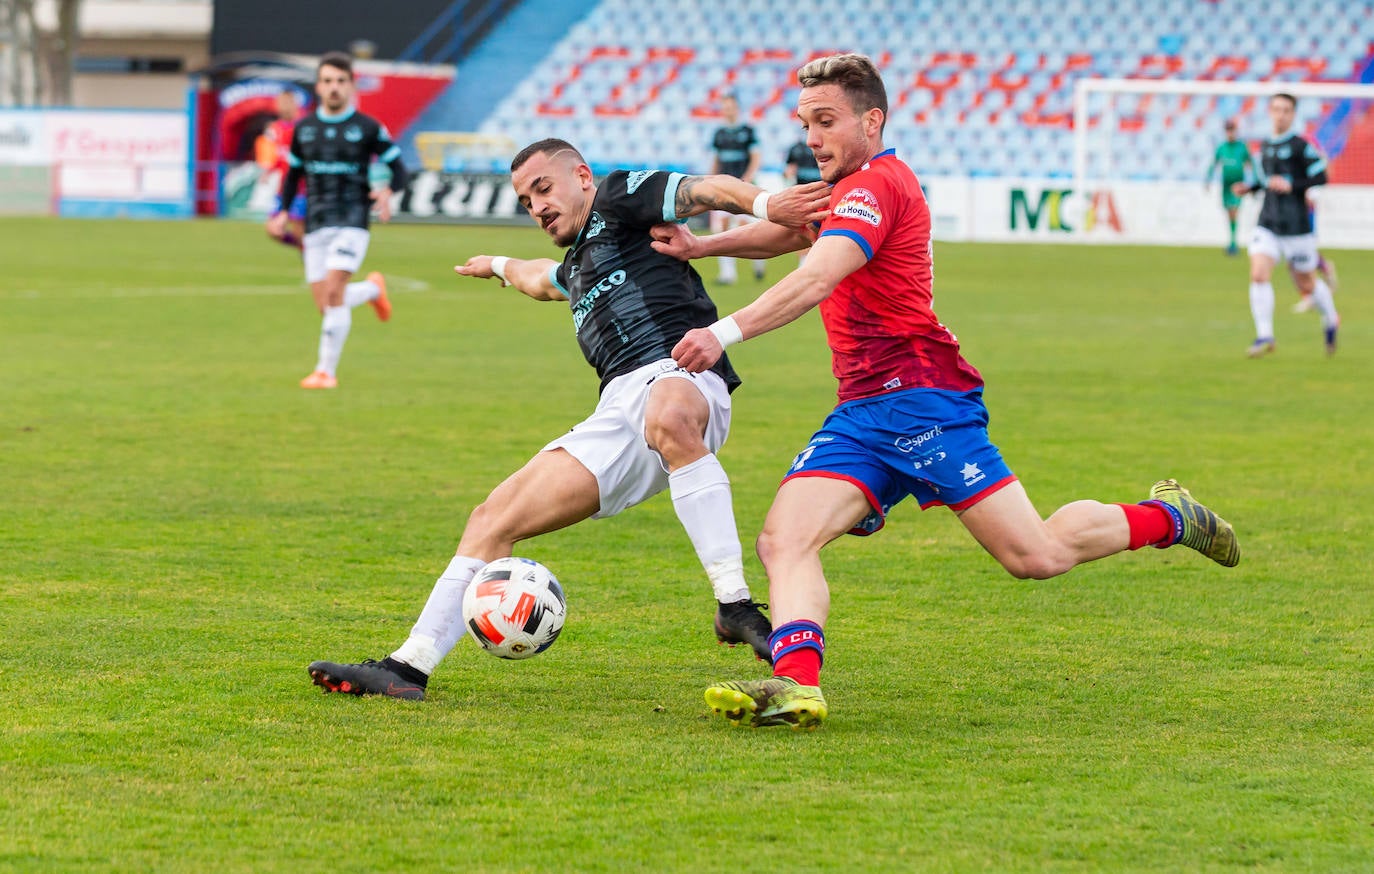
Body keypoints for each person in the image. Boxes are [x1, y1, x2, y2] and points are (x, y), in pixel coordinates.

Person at [657, 53, 1241, 730]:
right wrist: (700, 249)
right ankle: (795, 686)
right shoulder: (844, 186)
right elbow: (793, 230)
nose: (811, 137)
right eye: (804, 122)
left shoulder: (878, 187)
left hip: (925, 397)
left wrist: (721, 331)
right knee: (784, 539)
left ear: (871, 120)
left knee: (1037, 555)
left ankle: (1171, 517)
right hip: (863, 411)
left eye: (825, 121)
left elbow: (817, 274)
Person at [306, 138, 831, 700]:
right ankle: (407, 667)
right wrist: (498, 266)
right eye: (525, 201)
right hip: (617, 413)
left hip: (684, 373)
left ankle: (733, 603)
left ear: (581, 176)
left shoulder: (618, 198)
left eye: (542, 188)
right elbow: (539, 278)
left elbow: (706, 190)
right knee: (491, 518)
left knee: (668, 411)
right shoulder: (575, 265)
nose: (536, 206)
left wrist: (767, 203)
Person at [267, 52, 409, 390]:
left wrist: (389, 191)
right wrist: (282, 212)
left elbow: (399, 168)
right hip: (316, 222)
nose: (334, 88)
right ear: (318, 86)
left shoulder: (367, 128)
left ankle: (325, 372)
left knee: (333, 292)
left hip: (352, 219)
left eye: (341, 81)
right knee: (327, 303)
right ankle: (374, 289)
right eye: (328, 81)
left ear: (350, 86)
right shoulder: (304, 129)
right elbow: (293, 175)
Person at [1230, 92, 1338, 358]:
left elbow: (1322, 176)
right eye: (1276, 109)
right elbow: (1265, 181)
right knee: (1258, 274)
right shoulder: (1264, 146)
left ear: (1293, 114)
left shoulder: (1302, 146)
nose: (1280, 114)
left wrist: (1293, 185)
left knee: (1307, 284)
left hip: (1297, 228)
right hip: (1268, 223)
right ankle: (1265, 335)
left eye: (1286, 110)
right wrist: (1250, 188)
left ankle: (1331, 318)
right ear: (1270, 111)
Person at [709, 93, 767, 284]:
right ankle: (728, 274)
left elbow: (756, 158)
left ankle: (759, 262)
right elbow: (716, 160)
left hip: (744, 187)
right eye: (724, 106)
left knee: (747, 229)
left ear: (737, 108)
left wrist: (746, 180)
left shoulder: (748, 131)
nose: (728, 110)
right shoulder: (719, 133)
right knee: (723, 229)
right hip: (724, 187)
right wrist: (709, 180)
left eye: (730, 106)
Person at [256, 89, 307, 251]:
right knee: (273, 229)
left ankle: (311, 260)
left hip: (302, 188)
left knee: (299, 229)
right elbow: (279, 157)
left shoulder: (303, 127)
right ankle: (307, 248)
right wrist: (267, 171)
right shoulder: (276, 128)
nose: (283, 107)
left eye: (287, 103)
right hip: (283, 188)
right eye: (281, 103)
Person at [1203, 118, 1253, 256]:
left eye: (1232, 130)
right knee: (1229, 214)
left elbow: (1250, 163)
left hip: (1238, 185)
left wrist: (1254, 182)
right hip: (1226, 185)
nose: (1230, 133)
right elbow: (1214, 164)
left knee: (1234, 211)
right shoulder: (1222, 147)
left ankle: (1233, 243)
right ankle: (1231, 241)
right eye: (1228, 130)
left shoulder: (1241, 147)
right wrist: (1208, 179)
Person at [784, 138, 822, 265]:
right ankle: (804, 265)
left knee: (816, 233)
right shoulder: (796, 148)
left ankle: (808, 265)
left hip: (822, 197)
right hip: (803, 198)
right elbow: (789, 169)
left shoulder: (826, 145)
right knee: (804, 232)